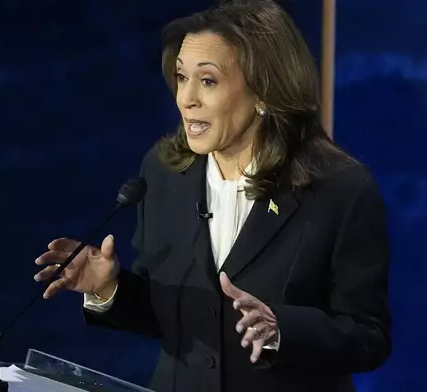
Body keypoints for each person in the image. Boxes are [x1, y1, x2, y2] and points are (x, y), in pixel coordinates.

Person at [34, 1, 392, 391]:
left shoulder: (338, 188)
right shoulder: (165, 171)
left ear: (264, 92)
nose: (186, 98)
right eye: (181, 77)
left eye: (208, 81)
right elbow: (168, 315)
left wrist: (280, 328)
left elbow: (368, 337)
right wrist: (109, 288)